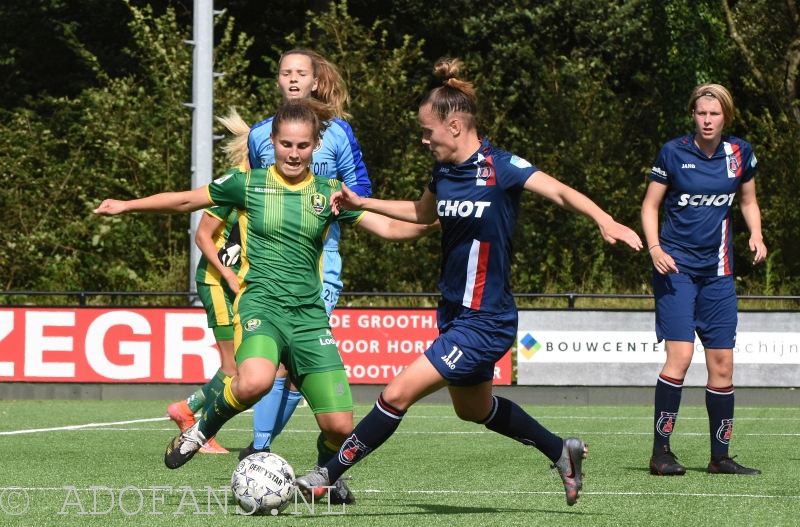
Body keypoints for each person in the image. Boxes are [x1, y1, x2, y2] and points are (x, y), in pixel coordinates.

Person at [296, 58, 643, 507]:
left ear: (455, 125)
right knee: (473, 409)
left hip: (488, 319)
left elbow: (558, 190)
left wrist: (604, 219)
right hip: (456, 314)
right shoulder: (443, 173)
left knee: (396, 393)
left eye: (428, 131)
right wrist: (363, 201)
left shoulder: (502, 167)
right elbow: (422, 215)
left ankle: (326, 475)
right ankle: (562, 451)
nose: (424, 140)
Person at [95, 99, 436, 504]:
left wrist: (434, 225)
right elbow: (187, 201)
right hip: (262, 306)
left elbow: (388, 228)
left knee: (341, 428)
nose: (294, 153)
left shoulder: (330, 193)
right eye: (286, 144)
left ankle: (325, 474)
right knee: (255, 380)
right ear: (271, 142)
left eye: (303, 146)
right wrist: (127, 206)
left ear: (315, 146)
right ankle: (201, 430)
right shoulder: (247, 182)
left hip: (309, 318)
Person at [237, 49, 374, 462]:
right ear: (277, 81)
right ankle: (259, 452)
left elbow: (360, 193)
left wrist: (347, 204)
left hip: (319, 264)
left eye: (301, 73)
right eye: (285, 72)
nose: (293, 79)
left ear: (315, 81)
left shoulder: (339, 133)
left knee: (295, 372)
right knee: (274, 364)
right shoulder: (261, 134)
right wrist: (230, 239)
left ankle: (311, 465)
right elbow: (250, 194)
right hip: (267, 265)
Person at [641, 83, 766, 476]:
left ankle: (720, 457)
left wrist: (756, 234)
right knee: (679, 357)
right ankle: (661, 453)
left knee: (723, 366)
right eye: (701, 113)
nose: (707, 120)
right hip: (675, 271)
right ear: (692, 115)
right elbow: (650, 205)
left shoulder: (739, 152)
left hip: (719, 274)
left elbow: (747, 200)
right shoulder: (673, 152)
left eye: (714, 114)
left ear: (725, 116)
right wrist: (656, 249)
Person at [164, 108, 250, 454]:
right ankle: (195, 426)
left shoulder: (269, 183)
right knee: (233, 367)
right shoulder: (237, 181)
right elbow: (203, 237)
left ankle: (187, 410)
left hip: (235, 284)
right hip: (216, 281)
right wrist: (227, 273)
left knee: (243, 366)